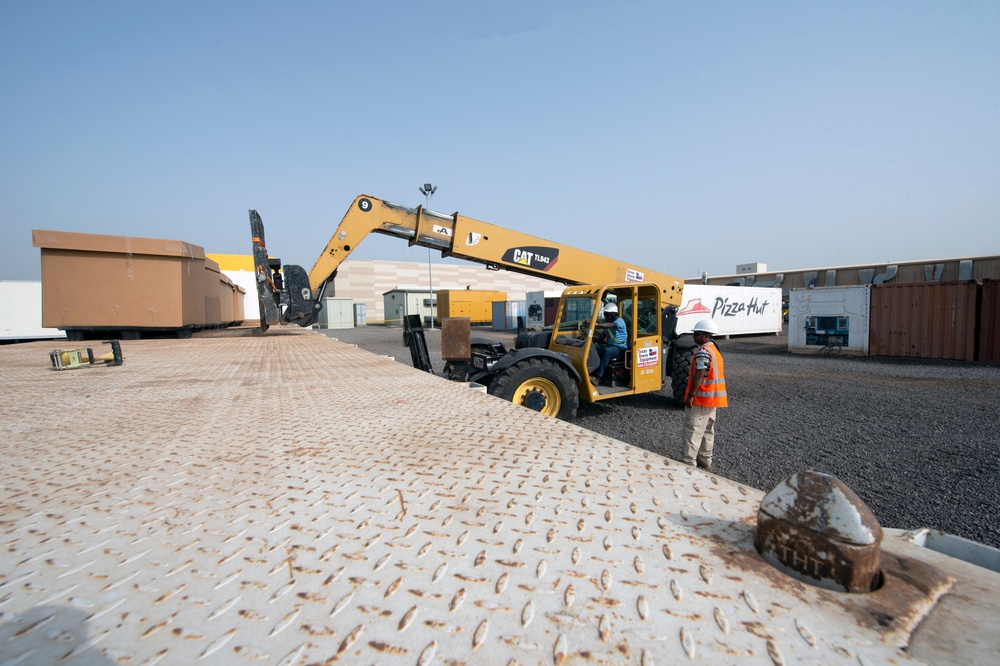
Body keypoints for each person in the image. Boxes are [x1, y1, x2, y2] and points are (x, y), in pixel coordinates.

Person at [681, 319, 727, 472]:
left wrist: (690, 395)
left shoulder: (703, 352)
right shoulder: (715, 351)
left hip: (701, 399)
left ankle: (688, 464)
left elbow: (700, 374)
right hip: (712, 399)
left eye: (696, 334)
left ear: (705, 335)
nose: (693, 336)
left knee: (693, 430)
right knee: (707, 431)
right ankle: (705, 460)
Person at [588, 302, 628, 385]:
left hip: (620, 348)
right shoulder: (607, 326)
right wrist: (589, 340)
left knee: (608, 351)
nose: (606, 317)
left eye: (608, 315)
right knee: (594, 348)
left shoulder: (619, 321)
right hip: (611, 347)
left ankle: (598, 377)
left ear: (613, 315)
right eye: (605, 315)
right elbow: (601, 337)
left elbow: (610, 325)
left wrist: (595, 324)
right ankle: (591, 371)